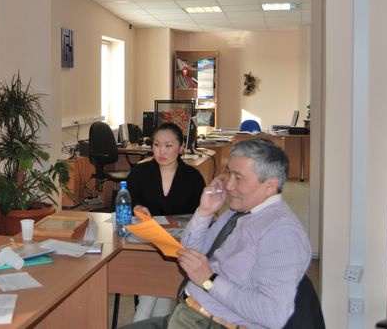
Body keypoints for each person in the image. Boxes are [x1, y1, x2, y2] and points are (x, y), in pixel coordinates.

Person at [127, 138, 311, 329]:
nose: (228, 185)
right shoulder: (237, 211)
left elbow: (272, 314)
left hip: (213, 324)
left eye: (238, 177)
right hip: (187, 314)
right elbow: (189, 254)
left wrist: (209, 280)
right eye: (228, 173)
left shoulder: (281, 233)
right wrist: (204, 212)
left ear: (270, 186)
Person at [127, 122, 206, 322]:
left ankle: (141, 321)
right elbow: (126, 203)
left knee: (156, 282)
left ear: (181, 147)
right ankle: (148, 321)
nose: (161, 151)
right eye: (156, 145)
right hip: (145, 246)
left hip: (179, 249)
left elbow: (201, 216)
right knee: (155, 279)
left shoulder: (193, 177)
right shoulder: (139, 173)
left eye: (168, 145)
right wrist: (136, 208)